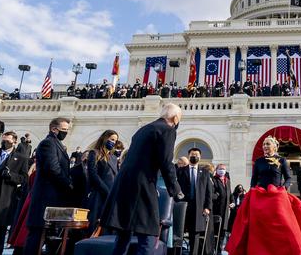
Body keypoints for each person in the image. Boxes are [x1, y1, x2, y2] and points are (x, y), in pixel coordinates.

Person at [101, 103, 183, 255]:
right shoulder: (167, 130)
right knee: (148, 234)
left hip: (124, 184)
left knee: (123, 234)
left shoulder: (144, 129)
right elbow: (165, 161)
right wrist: (176, 190)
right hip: (142, 185)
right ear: (176, 118)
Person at [226, 136, 301, 255]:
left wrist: (283, 189)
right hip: (260, 195)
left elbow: (288, 178)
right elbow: (254, 180)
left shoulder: (282, 160)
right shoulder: (259, 161)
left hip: (277, 196)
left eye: (268, 144)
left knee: (284, 223)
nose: (265, 146)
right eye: (264, 144)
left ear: (275, 146)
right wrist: (252, 192)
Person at [24, 117, 73, 254]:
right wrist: (67, 183)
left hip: (53, 197)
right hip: (45, 197)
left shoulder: (57, 143)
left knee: (48, 236)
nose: (66, 132)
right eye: (63, 130)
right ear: (53, 129)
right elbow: (53, 168)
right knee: (37, 235)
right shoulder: (48, 143)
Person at [177, 148, 214, 255]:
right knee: (179, 233)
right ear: (189, 156)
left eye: (197, 155)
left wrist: (207, 207)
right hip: (183, 207)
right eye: (192, 154)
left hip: (198, 208)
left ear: (200, 157)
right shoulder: (180, 171)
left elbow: (209, 192)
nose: (194, 156)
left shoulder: (205, 172)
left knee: (195, 235)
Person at [86, 130, 119, 234]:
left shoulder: (113, 157)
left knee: (107, 228)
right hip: (99, 195)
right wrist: (106, 190)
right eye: (112, 139)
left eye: (115, 141)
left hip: (111, 196)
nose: (113, 142)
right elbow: (93, 174)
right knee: (94, 226)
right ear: (105, 138)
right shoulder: (94, 153)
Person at [212, 164, 233, 254]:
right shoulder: (213, 180)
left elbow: (230, 192)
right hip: (216, 209)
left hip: (225, 211)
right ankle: (212, 249)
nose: (222, 170)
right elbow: (212, 193)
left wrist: (232, 201)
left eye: (224, 169)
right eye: (220, 169)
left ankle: (219, 250)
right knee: (215, 230)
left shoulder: (227, 180)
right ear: (216, 170)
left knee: (223, 232)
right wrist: (216, 195)